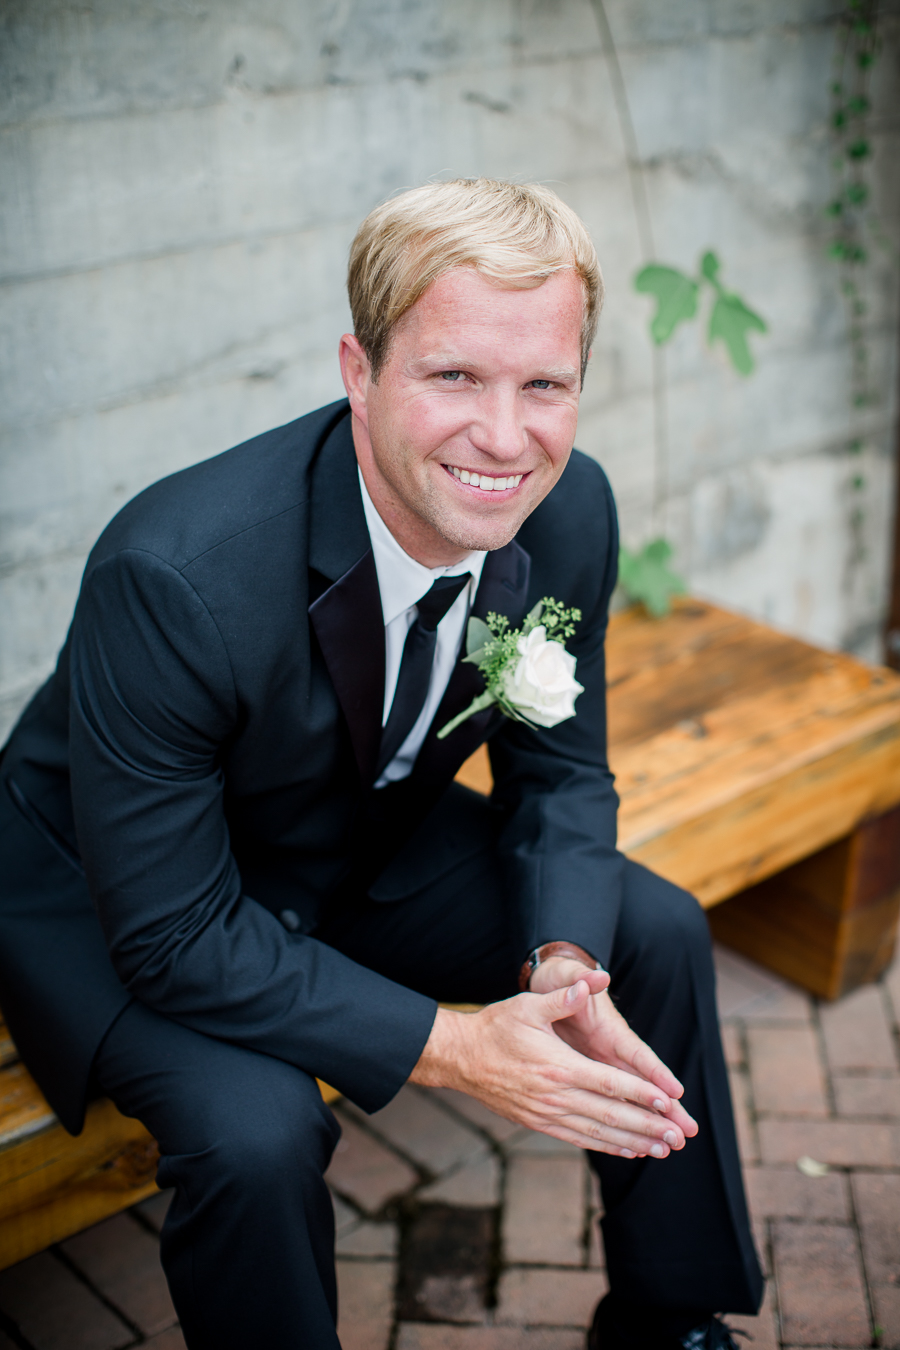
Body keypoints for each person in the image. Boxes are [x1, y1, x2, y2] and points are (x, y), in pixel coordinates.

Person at [0, 178, 762, 1349]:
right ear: (360, 373)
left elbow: (560, 778)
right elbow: (173, 933)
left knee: (642, 934)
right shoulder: (176, 575)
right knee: (256, 1132)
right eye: (454, 376)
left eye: (544, 384)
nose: (506, 438)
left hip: (349, 832)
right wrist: (461, 1048)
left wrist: (561, 970)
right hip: (115, 895)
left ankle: (669, 1315)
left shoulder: (566, 511)